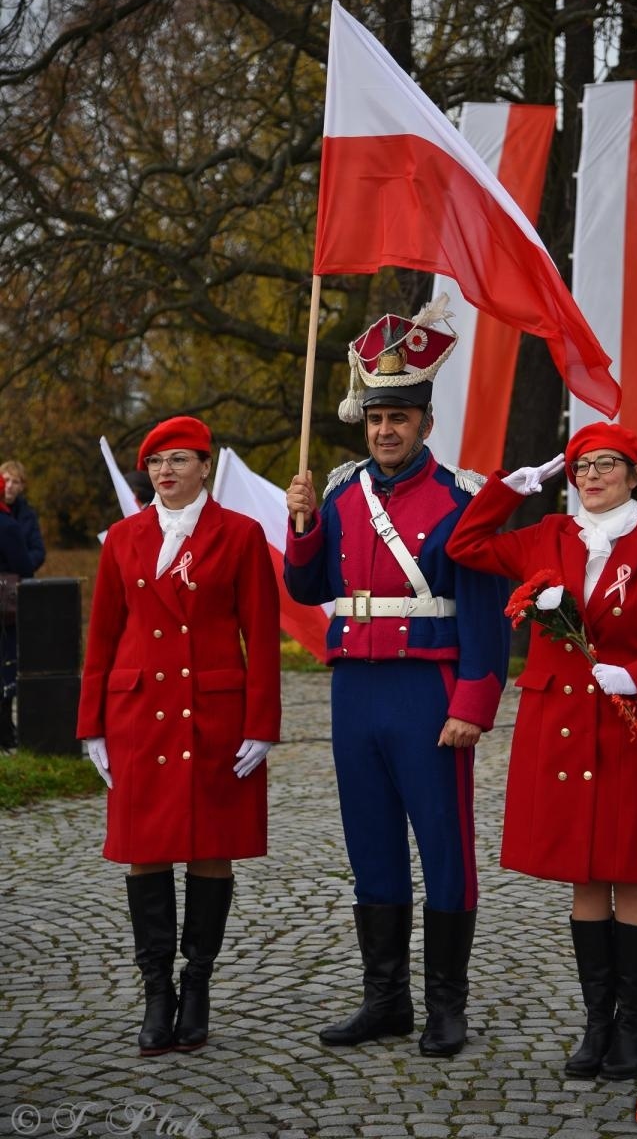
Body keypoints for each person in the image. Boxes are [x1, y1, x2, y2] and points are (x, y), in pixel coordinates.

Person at [446, 422, 637, 1080]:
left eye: (607, 464)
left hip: (625, 727)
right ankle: (593, 1025)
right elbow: (465, 544)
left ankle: (627, 1030)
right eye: (581, 466)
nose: (592, 475)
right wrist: (507, 489)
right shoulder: (547, 536)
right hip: (560, 727)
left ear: (634, 476)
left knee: (629, 871)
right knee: (583, 875)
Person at [285, 299, 510, 1057]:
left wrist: (473, 704)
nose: (386, 430)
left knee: (444, 848)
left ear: (425, 423)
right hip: (355, 691)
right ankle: (384, 1000)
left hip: (427, 693)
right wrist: (305, 524)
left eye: (401, 417)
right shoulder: (343, 494)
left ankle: (447, 1006)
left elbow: (485, 614)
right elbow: (309, 589)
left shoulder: (459, 500)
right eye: (377, 417)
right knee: (370, 846)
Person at [77, 415, 281, 1056]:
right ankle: (156, 992)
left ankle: (197, 987)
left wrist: (263, 724)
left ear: (204, 465)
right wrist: (92, 727)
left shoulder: (239, 535)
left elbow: (262, 635)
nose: (166, 472)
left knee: (210, 848)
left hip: (212, 714)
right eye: (157, 462)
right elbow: (103, 635)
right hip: (139, 715)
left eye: (180, 460)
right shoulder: (123, 538)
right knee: (147, 847)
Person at [0, 474, 35, 749]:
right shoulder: (7, 525)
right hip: (5, 609)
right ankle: (5, 733)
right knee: (6, 664)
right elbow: (24, 564)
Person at [1, 460, 46, 572]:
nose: (9, 486)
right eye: (6, 480)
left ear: (22, 486)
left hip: (20, 578)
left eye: (15, 482)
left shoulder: (28, 515)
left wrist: (23, 564)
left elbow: (38, 550)